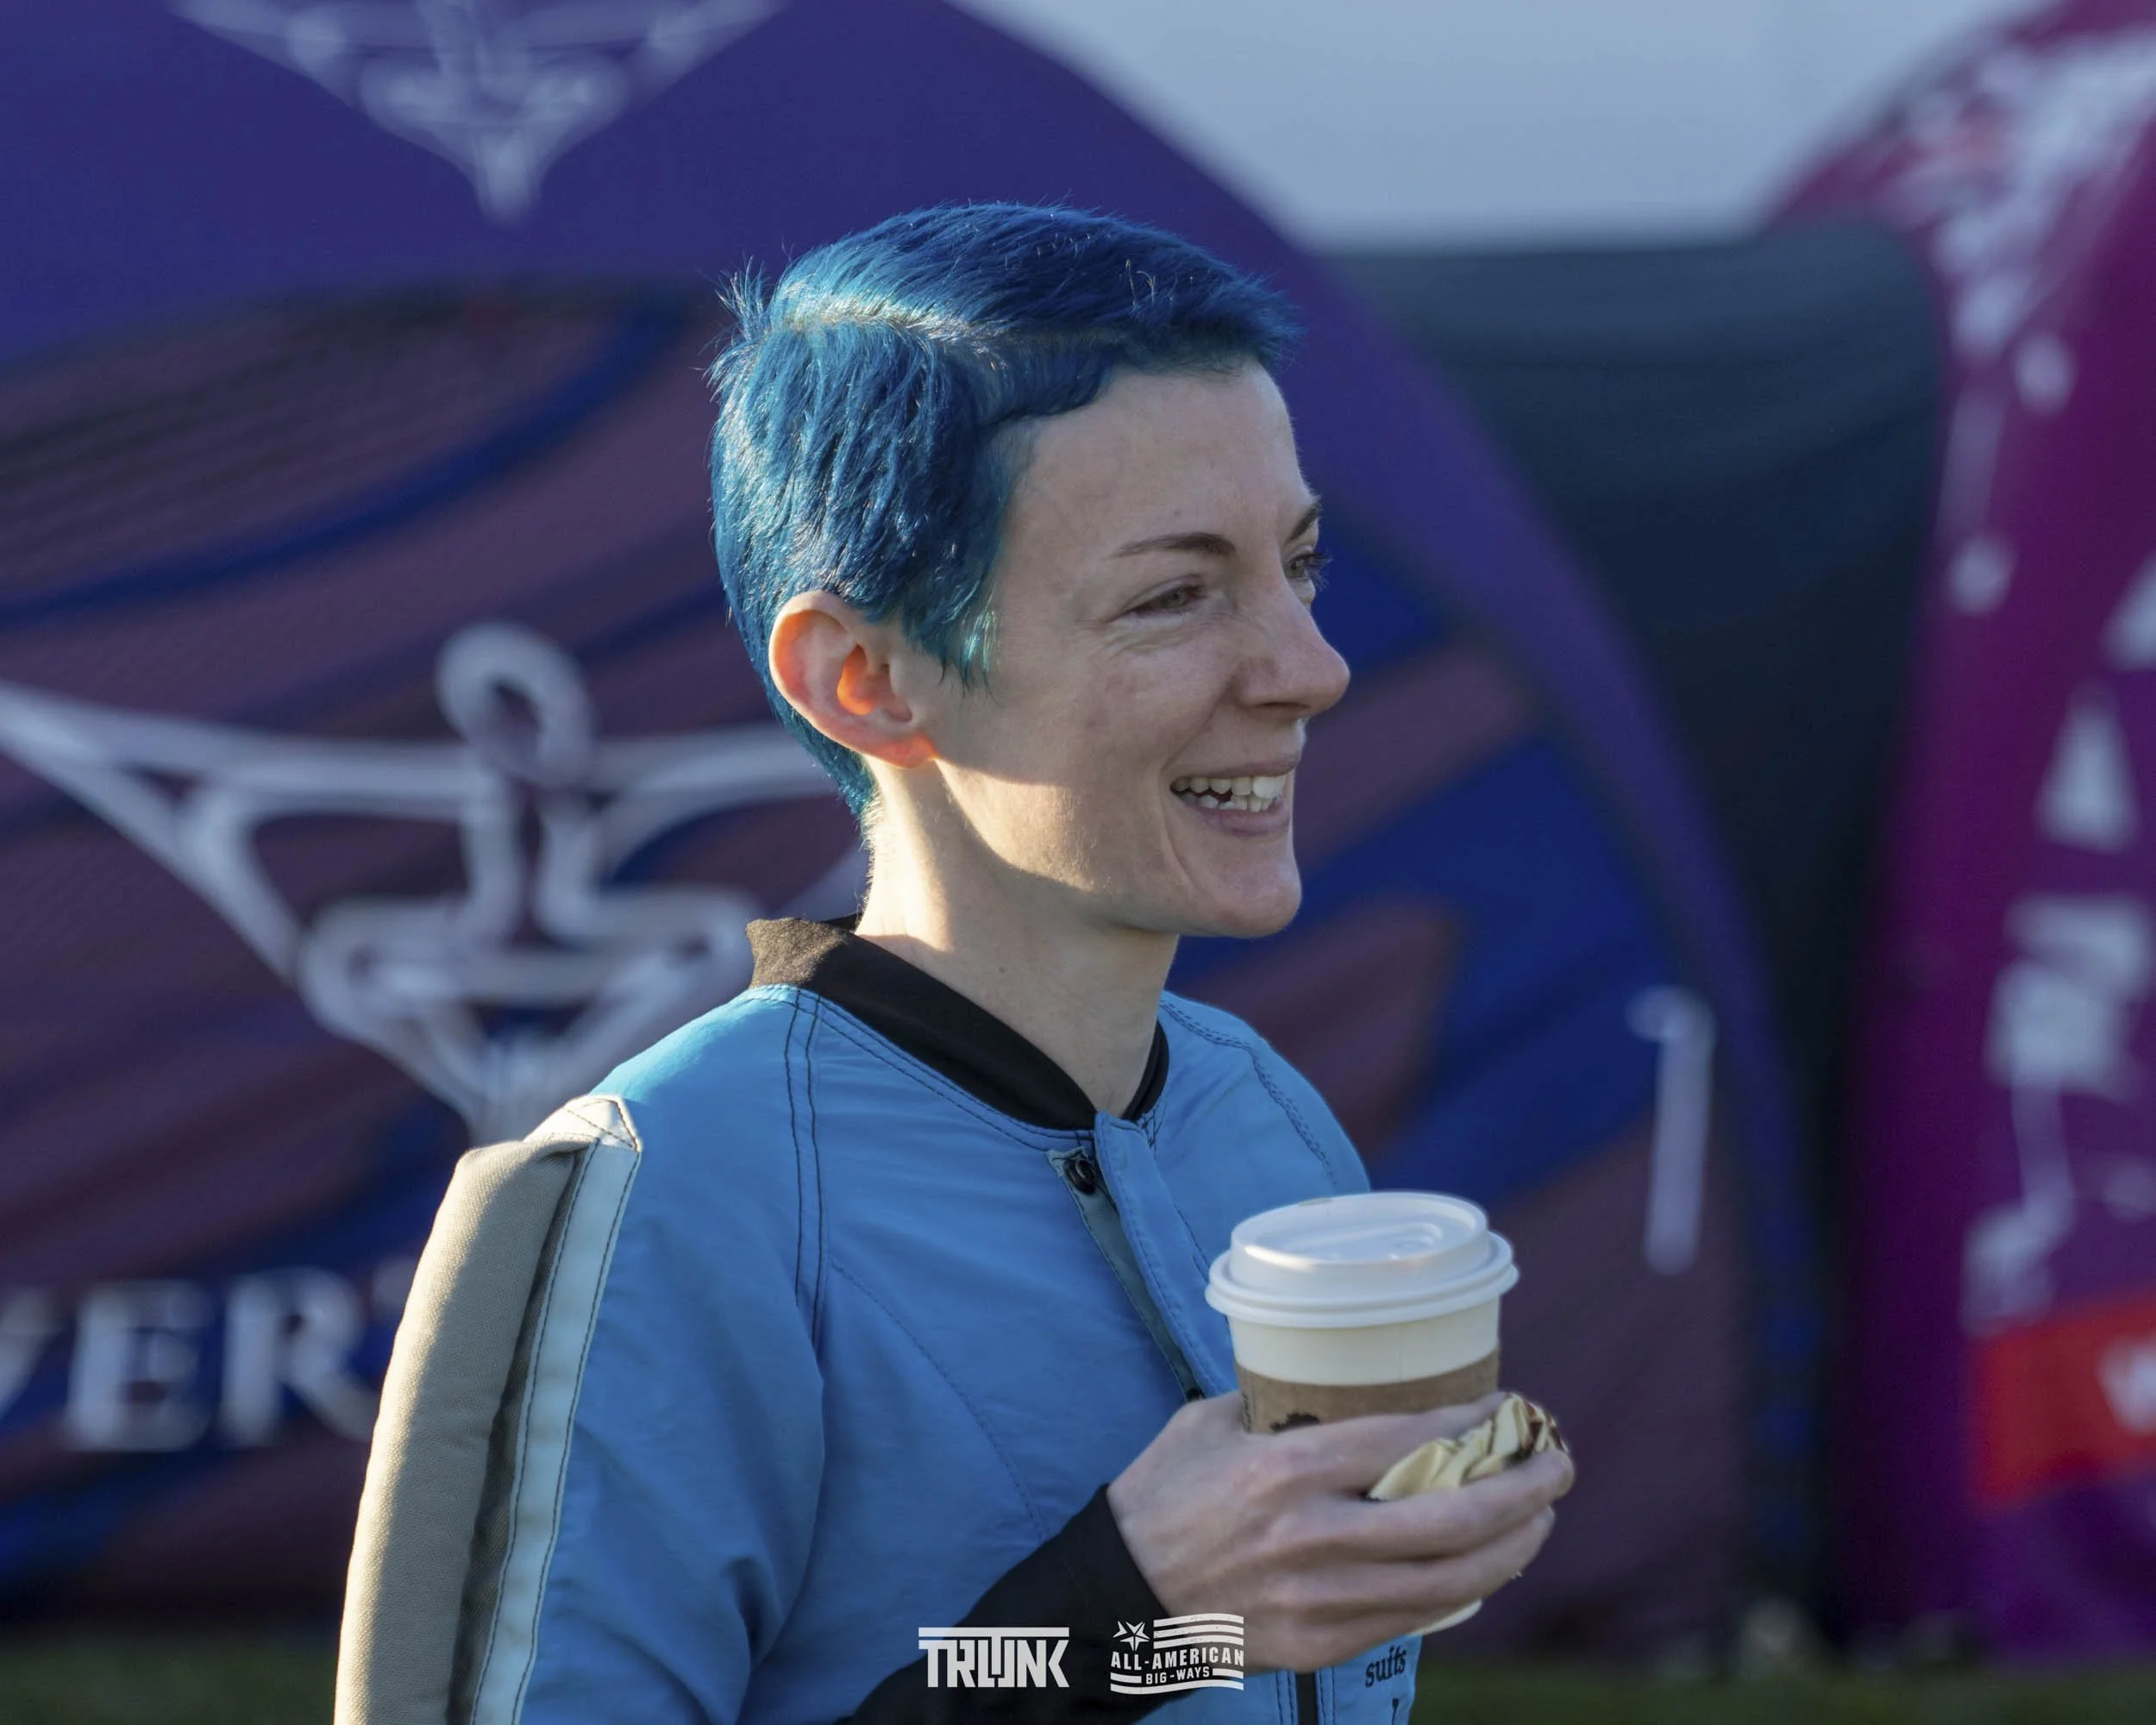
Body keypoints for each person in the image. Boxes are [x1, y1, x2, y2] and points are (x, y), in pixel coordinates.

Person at [335, 203, 1573, 1725]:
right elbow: (1105, 1649)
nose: (1311, 667)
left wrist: (1293, 1577)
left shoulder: (1268, 1123)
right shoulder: (652, 1199)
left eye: (1297, 565)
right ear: (864, 679)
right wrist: (1112, 1603)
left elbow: (1171, 1665)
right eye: (1176, 595)